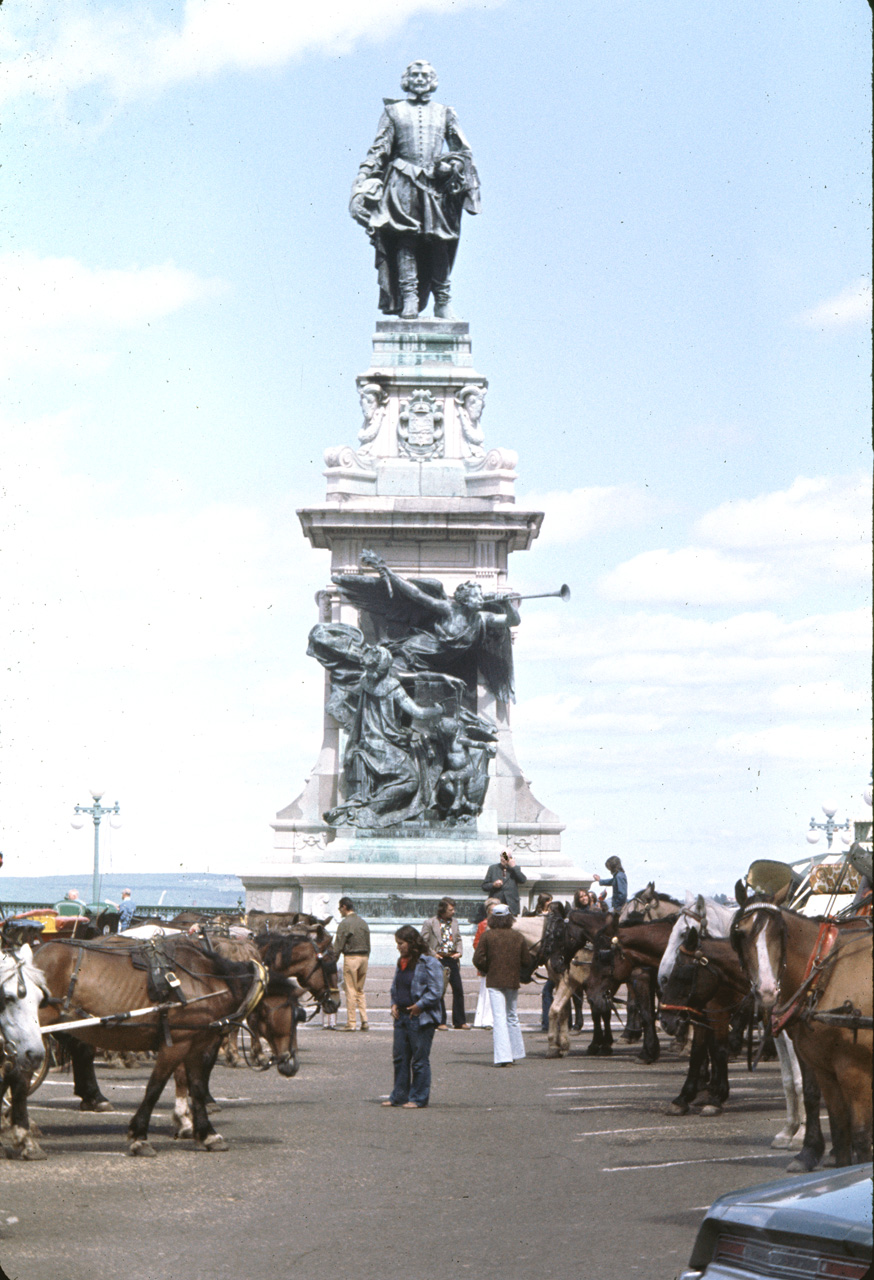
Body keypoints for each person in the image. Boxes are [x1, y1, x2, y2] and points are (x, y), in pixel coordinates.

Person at [350, 60, 481, 320]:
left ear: (432, 80)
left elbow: (462, 151)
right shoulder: (393, 111)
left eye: (425, 75)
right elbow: (378, 150)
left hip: (435, 185)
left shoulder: (445, 112)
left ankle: (443, 300)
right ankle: (409, 297)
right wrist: (362, 178)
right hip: (401, 181)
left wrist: (452, 164)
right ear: (407, 79)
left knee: (439, 241)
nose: (420, 78)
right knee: (404, 239)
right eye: (415, 74)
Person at [384, 925, 444, 1108]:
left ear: (411, 943)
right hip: (401, 1016)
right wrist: (394, 1003)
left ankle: (418, 1098)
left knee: (419, 1060)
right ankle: (399, 1096)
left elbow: (436, 990)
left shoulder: (428, 962)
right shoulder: (401, 961)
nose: (398, 947)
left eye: (401, 943)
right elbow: (396, 985)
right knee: (400, 1058)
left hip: (420, 1017)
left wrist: (420, 1005)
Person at [472, 904, 532, 1067]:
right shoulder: (517, 936)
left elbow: (477, 959)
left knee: (498, 1018)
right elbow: (527, 961)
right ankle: (516, 1052)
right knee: (511, 1016)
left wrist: (487, 969)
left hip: (494, 980)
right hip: (512, 980)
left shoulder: (487, 936)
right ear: (509, 918)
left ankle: (503, 1056)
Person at [420, 897, 469, 1030]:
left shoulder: (454, 922)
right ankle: (440, 1020)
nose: (453, 912)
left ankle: (459, 1021)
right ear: (442, 910)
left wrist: (459, 952)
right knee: (439, 990)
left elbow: (458, 938)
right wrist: (433, 954)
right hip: (438, 959)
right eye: (450, 909)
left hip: (452, 958)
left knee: (458, 989)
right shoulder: (430, 923)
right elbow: (423, 942)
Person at [333, 897, 371, 1031]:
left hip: (351, 958)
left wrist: (333, 960)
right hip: (364, 958)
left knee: (350, 990)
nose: (339, 911)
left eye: (339, 908)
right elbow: (368, 943)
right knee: (360, 990)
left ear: (344, 907)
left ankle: (352, 1022)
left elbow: (338, 944)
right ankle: (364, 1020)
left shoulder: (345, 923)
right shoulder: (363, 922)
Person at [472, 899, 499, 1028]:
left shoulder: (502, 925)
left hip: (499, 962)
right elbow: (476, 943)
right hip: (488, 962)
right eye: (493, 910)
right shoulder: (483, 924)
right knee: (487, 992)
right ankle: (486, 1019)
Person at [481, 850, 527, 915]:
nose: (503, 859)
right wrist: (493, 885)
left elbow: (523, 880)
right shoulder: (493, 868)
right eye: (502, 856)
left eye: (505, 857)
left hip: (511, 904)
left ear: (510, 858)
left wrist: (514, 867)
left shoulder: (515, 869)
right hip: (496, 904)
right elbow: (484, 886)